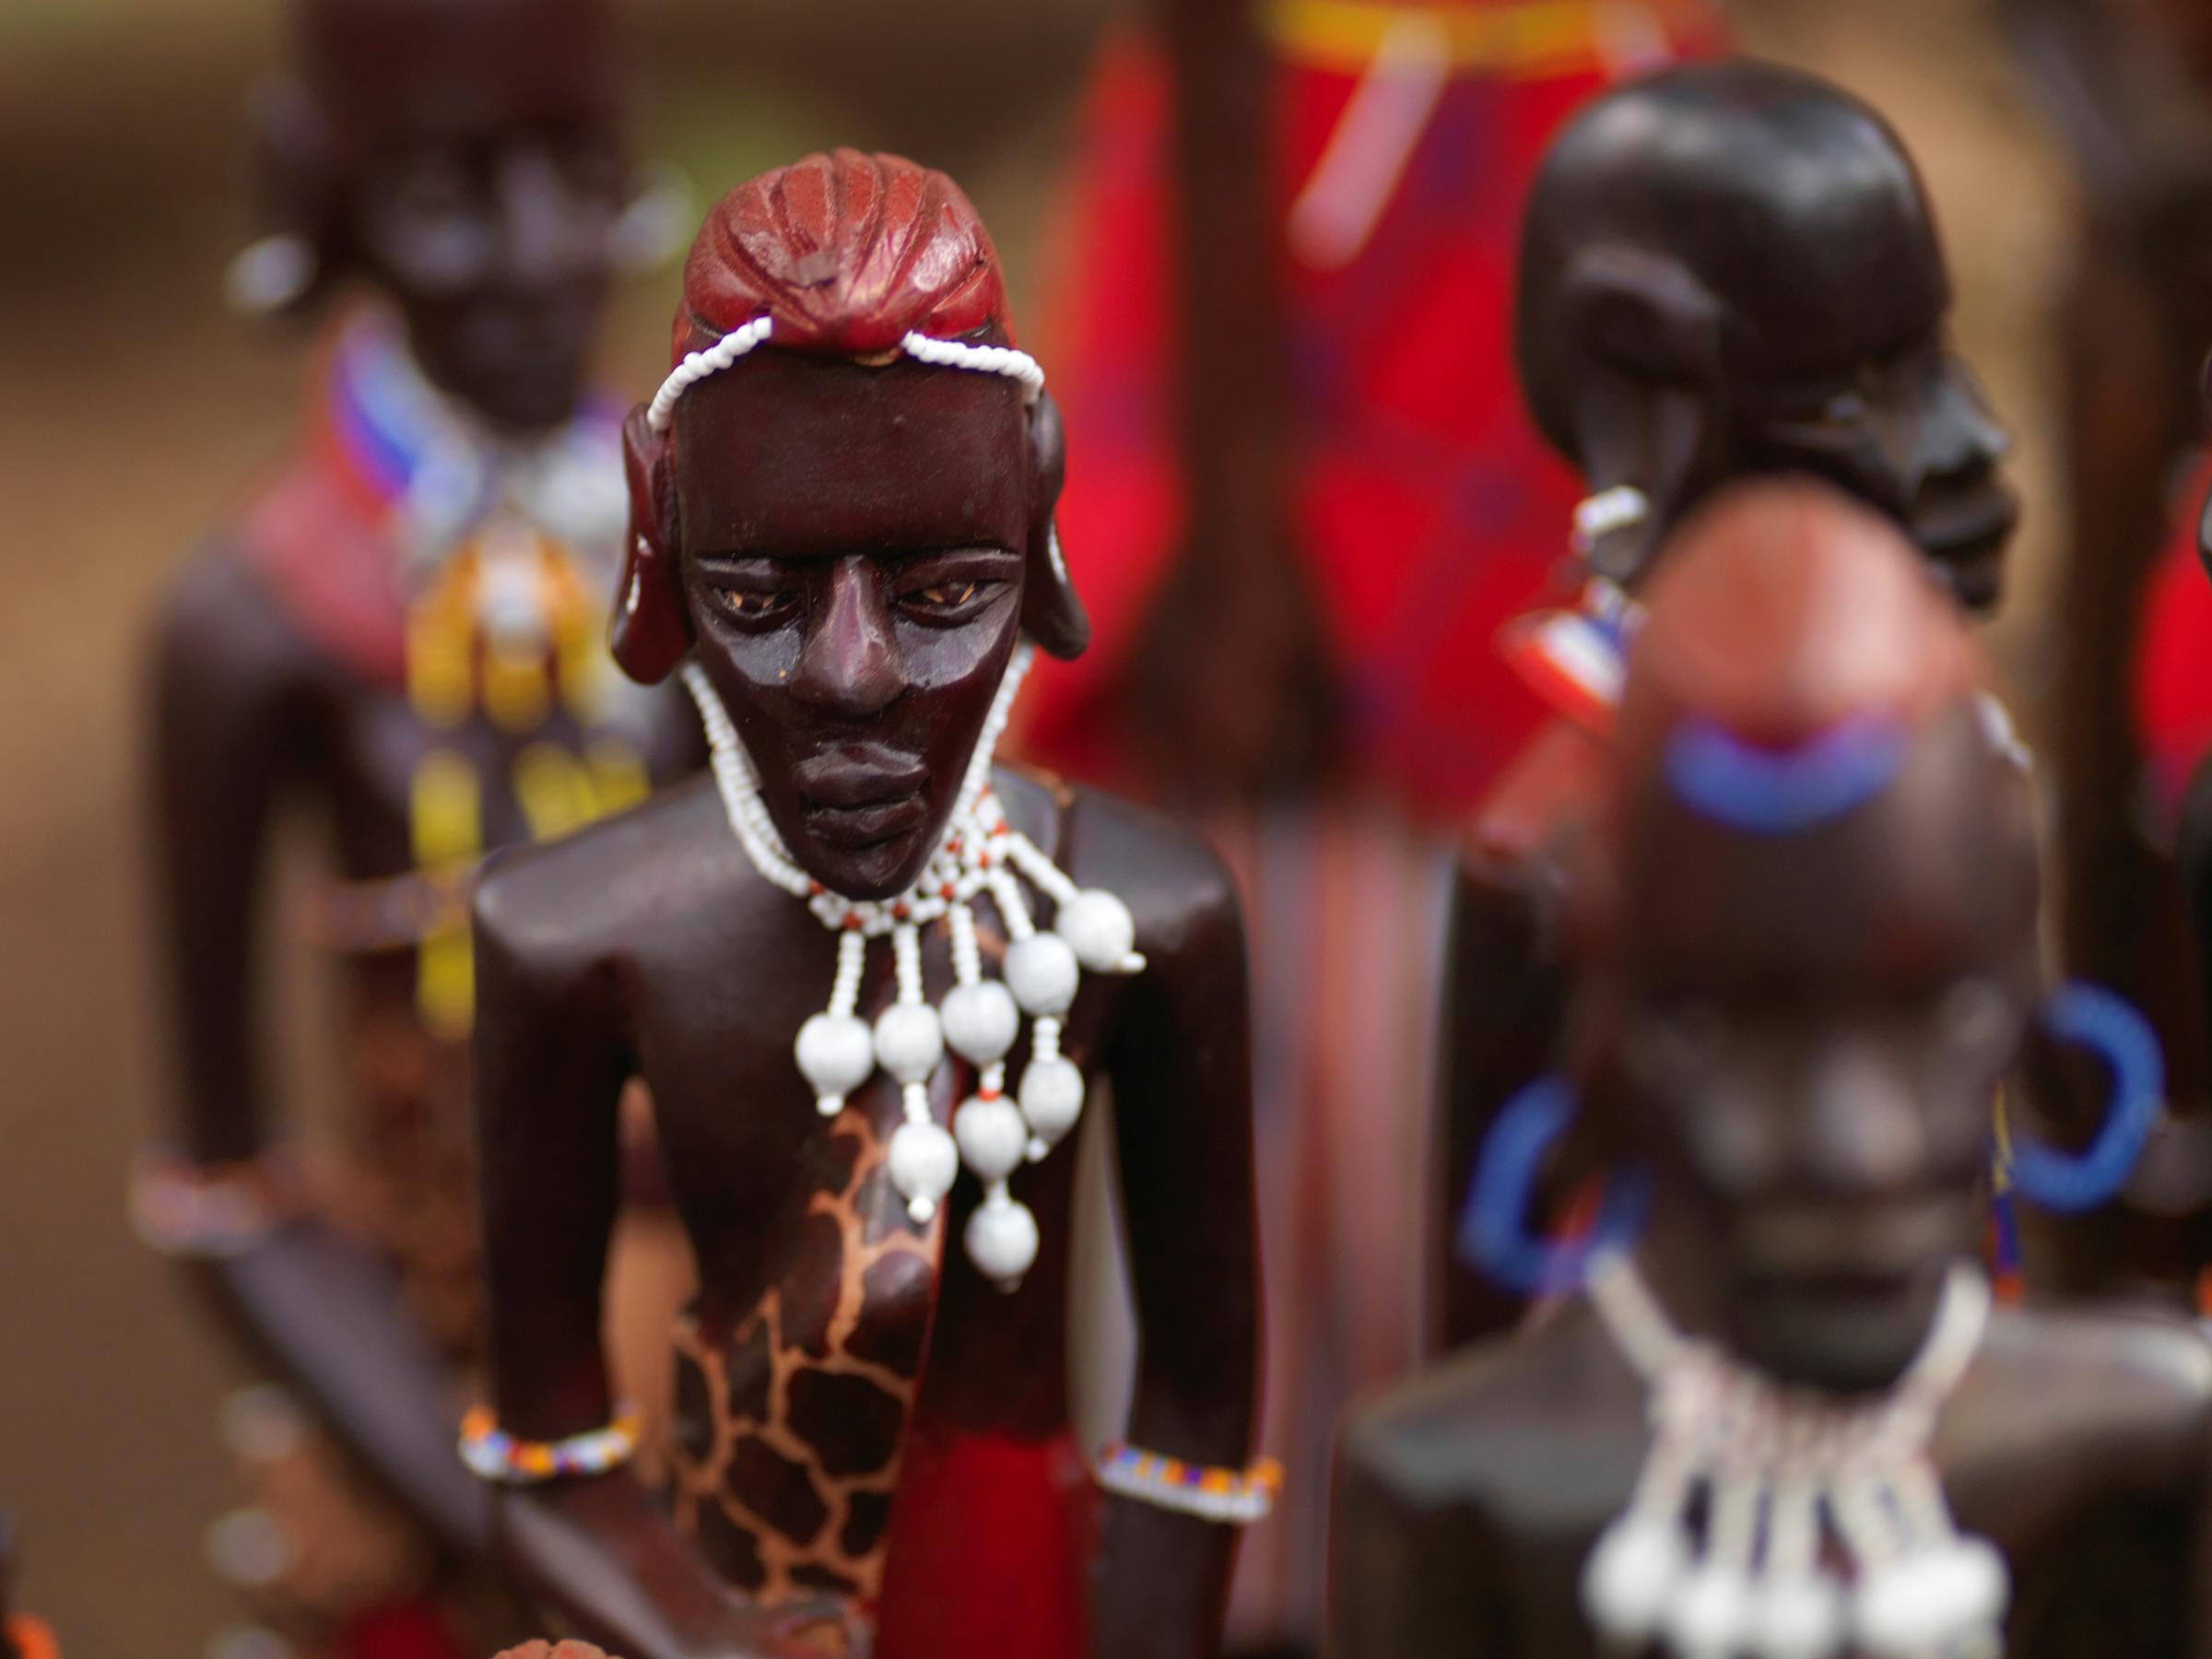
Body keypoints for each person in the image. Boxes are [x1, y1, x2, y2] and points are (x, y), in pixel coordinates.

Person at [464, 150, 1265, 1659]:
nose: (852, 675)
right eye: (758, 600)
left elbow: (1195, 1432)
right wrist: (710, 1642)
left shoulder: (1141, 922)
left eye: (943, 593)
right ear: (660, 536)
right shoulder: (568, 941)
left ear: (1037, 513)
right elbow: (547, 1463)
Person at [1336, 479, 2212, 1658]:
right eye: (1731, 1023)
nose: (1858, 1145)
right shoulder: (1450, 1492)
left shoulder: (2148, 1452)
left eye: (1933, 1010)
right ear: (1602, 992)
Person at [137, 1, 696, 1652]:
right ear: (323, 194)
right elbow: (226, 1192)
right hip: (439, 1387)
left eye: (579, 175)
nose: (536, 260)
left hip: (725, 1373)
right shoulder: (255, 626)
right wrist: (497, 1509)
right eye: (447, 197)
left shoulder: (732, 558)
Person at [1432, 59, 2019, 1348]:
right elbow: (1473, 1354)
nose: (1979, 441)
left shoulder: (1957, 767)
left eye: (1941, 361)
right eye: (1878, 386)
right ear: (1651, 392)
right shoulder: (1557, 855)